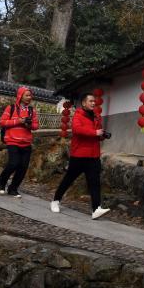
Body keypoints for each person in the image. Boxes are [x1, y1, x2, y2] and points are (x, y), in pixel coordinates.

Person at [51, 92, 111, 220]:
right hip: (79, 154)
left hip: (93, 155)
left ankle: (96, 209)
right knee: (69, 179)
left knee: (94, 182)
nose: (93, 103)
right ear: (84, 103)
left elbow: (96, 135)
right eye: (90, 101)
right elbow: (77, 130)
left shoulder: (96, 117)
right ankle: (55, 200)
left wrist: (101, 135)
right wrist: (95, 132)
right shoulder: (78, 115)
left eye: (94, 101)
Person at [0, 86, 39, 197]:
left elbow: (36, 126)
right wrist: (19, 121)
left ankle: (13, 189)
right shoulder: (10, 108)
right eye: (27, 95)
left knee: (23, 167)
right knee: (13, 163)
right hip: (12, 141)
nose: (29, 97)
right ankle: (2, 182)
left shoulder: (32, 110)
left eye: (30, 95)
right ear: (20, 96)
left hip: (26, 142)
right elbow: (2, 122)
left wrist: (28, 125)